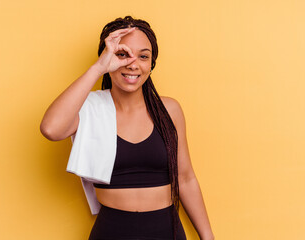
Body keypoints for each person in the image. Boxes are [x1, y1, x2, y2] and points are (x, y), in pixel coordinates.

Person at [40, 16, 214, 240]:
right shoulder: (88, 110)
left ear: (151, 64)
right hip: (112, 231)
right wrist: (98, 68)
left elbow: (186, 177)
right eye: (122, 54)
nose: (133, 64)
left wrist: (207, 237)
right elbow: (51, 129)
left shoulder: (169, 110)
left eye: (143, 56)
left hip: (167, 231)